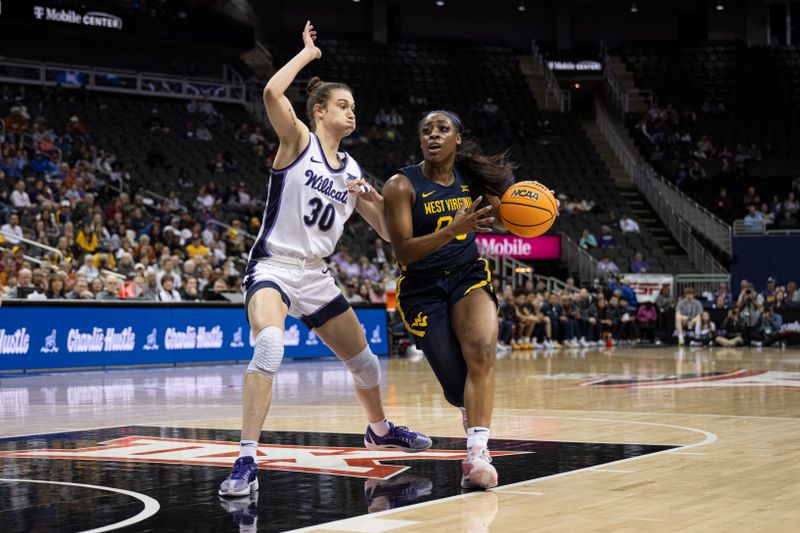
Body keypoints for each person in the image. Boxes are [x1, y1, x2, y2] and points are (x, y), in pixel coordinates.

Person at [219, 21, 431, 498]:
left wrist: (374, 200)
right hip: (273, 267)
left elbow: (385, 233)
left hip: (316, 277)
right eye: (342, 105)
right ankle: (246, 460)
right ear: (319, 111)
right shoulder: (297, 141)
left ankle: (378, 429)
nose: (352, 113)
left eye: (354, 107)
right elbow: (273, 92)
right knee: (270, 346)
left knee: (368, 367)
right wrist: (307, 56)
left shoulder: (352, 170)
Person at [383, 108, 532, 489]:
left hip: (467, 275)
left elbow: (504, 217)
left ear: (457, 138)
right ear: (420, 140)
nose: (433, 135)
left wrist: (539, 215)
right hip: (421, 287)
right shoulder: (401, 185)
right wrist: (454, 228)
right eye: (426, 130)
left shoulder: (471, 179)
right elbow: (403, 252)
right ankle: (468, 406)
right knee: (456, 383)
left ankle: (478, 453)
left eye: (442, 129)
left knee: (482, 351)